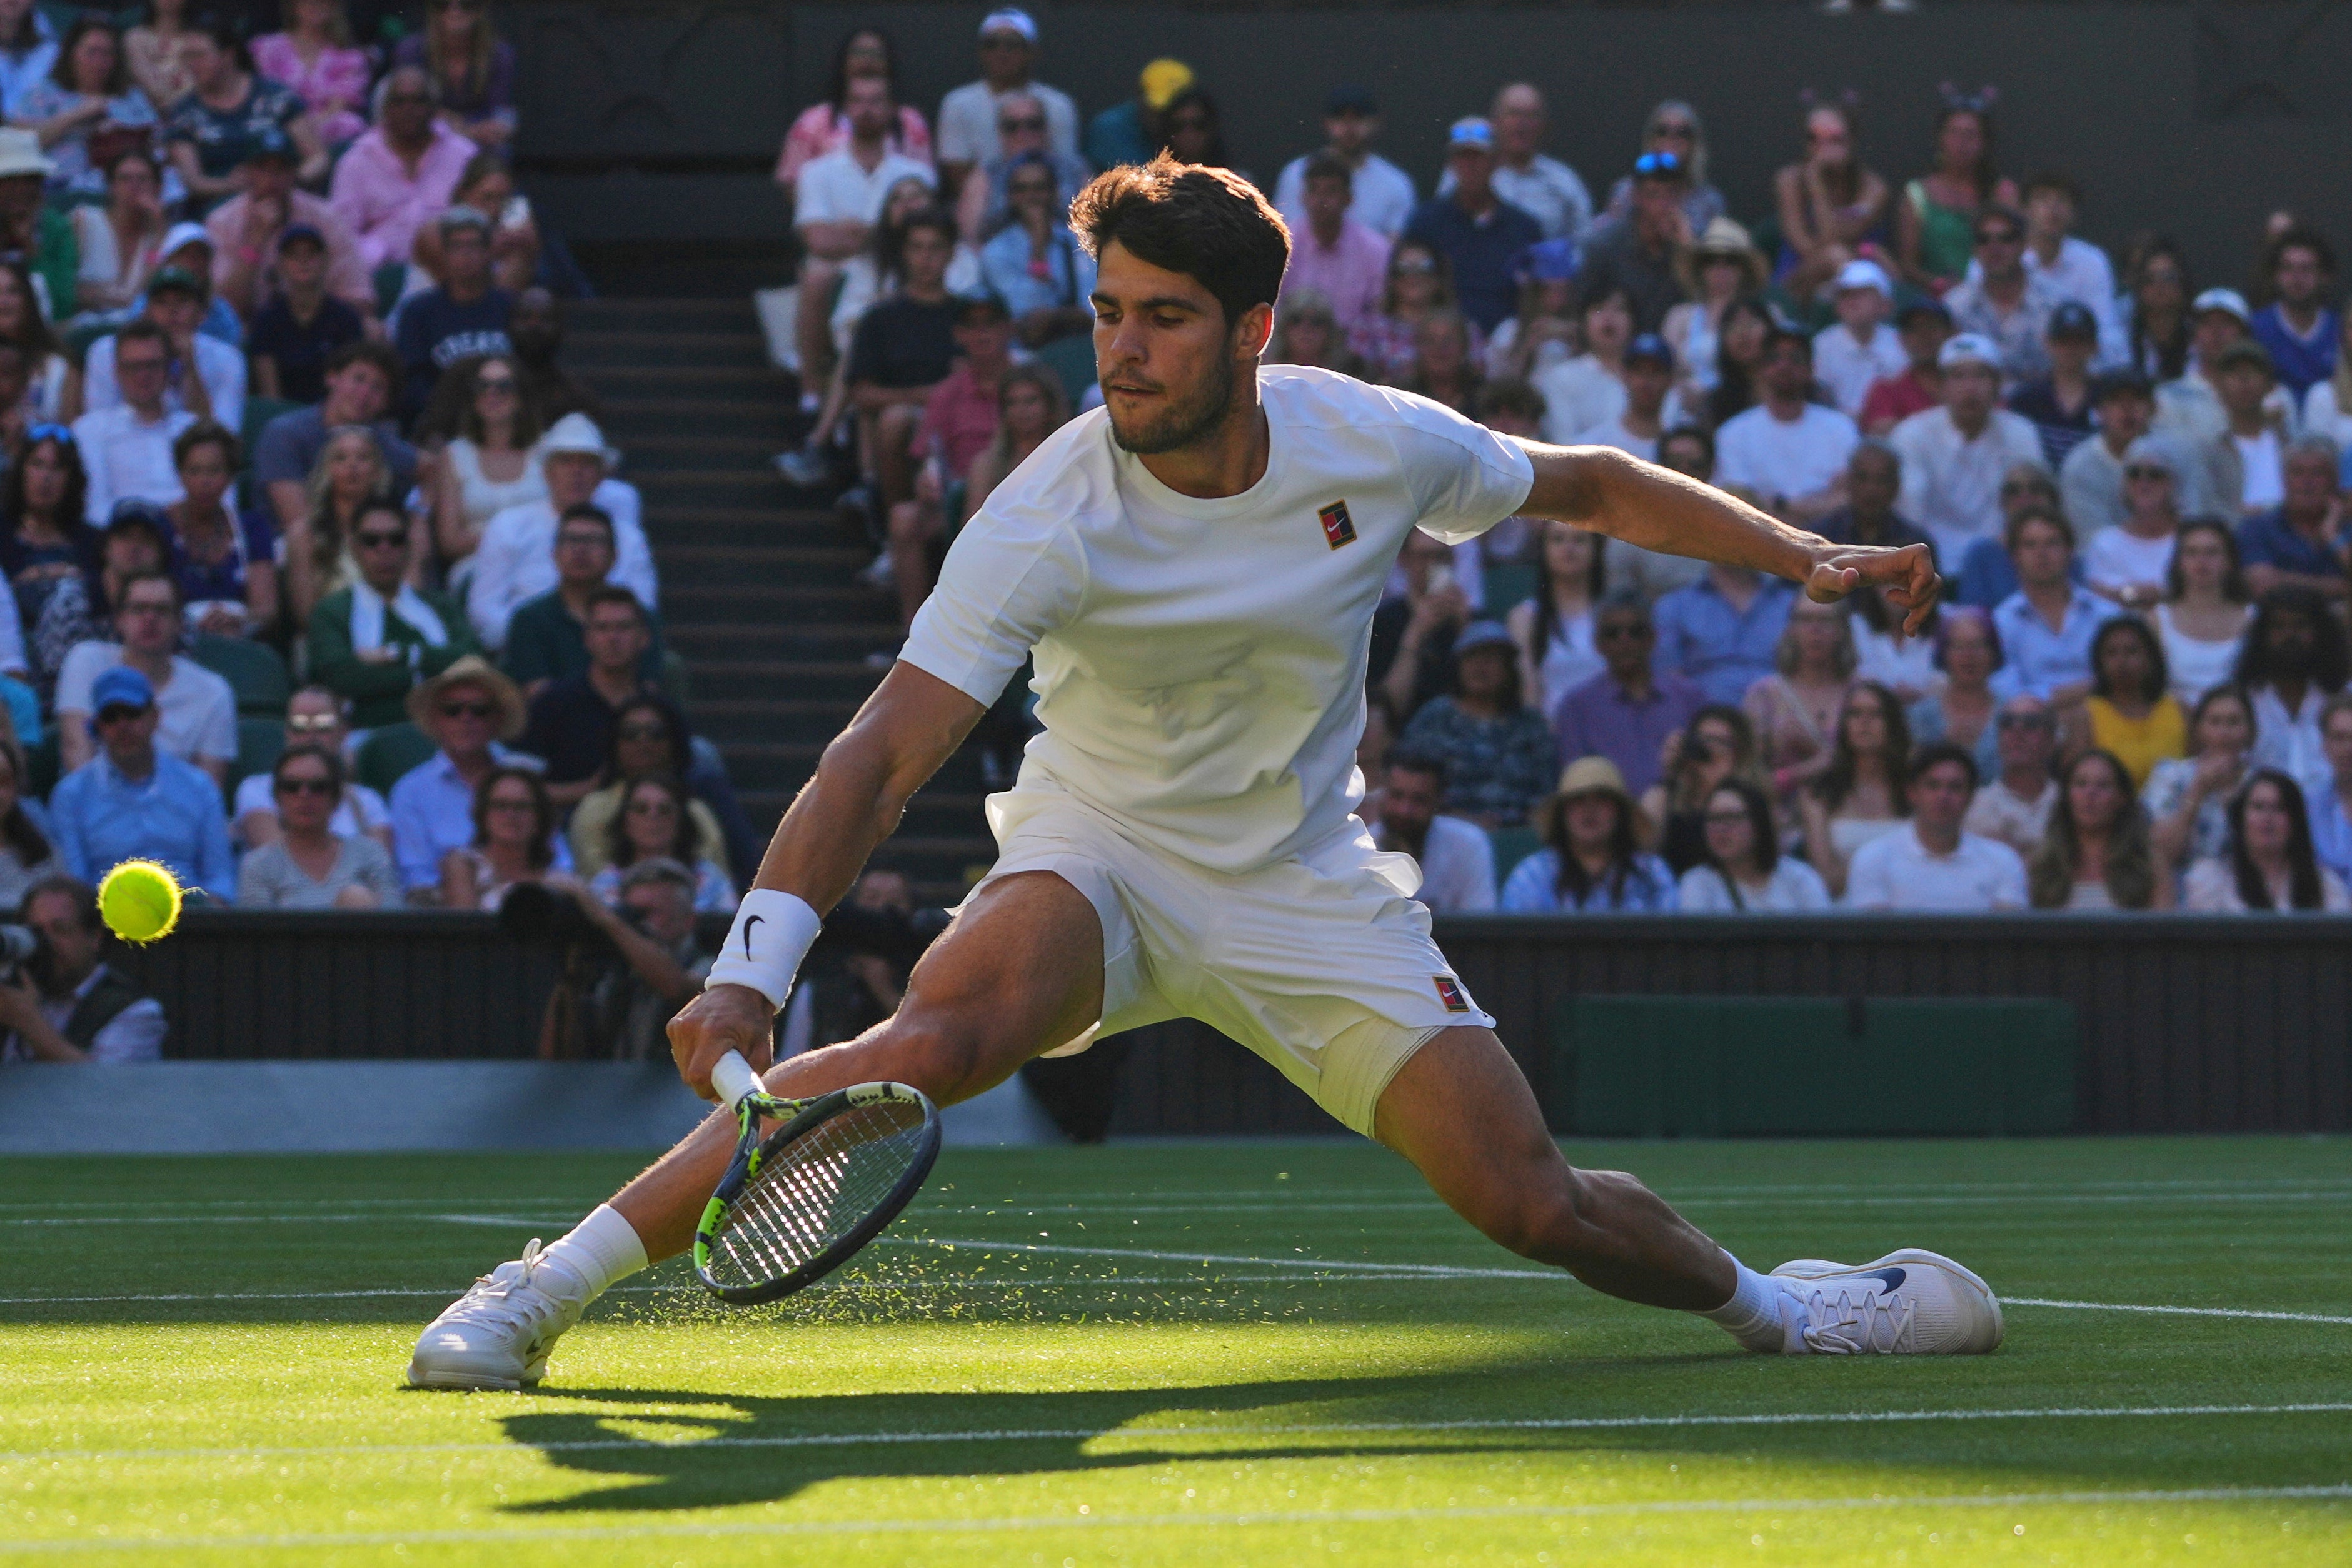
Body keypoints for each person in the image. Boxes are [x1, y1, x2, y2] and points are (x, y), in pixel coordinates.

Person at [404, 155, 1981, 1391]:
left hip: (1298, 878)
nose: (1123, 350)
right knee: (928, 1037)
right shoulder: (1046, 509)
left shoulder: (1372, 440)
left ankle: (1787, 1311)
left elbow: (1589, 483)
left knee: (1529, 1202)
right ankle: (535, 1291)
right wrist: (752, 969)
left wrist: (1801, 552)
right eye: (1105, 312)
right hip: (1093, 847)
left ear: (1251, 331)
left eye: (1160, 316)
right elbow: (881, 750)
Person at [465, 413, 654, 651]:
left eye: (587, 463)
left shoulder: (629, 539)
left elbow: (644, 608)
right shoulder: (508, 526)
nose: (576, 472)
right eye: (566, 461)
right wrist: (537, 636)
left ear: (601, 474)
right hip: (525, 650)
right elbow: (483, 610)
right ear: (547, 471)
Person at [48, 664, 233, 899]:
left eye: (132, 713)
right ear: (98, 726)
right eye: (111, 717)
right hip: (108, 922)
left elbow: (220, 878)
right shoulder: (70, 795)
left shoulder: (199, 787)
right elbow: (74, 886)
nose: (123, 726)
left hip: (191, 921)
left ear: (155, 717)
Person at [838, 209, 962, 551]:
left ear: (951, 253)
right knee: (896, 419)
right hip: (905, 425)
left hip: (963, 419)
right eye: (917, 248)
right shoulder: (881, 318)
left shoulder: (969, 315)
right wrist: (924, 396)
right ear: (904, 254)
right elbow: (860, 394)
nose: (926, 258)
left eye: (935, 248)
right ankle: (896, 539)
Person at [306, 495, 478, 730]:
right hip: (366, 735)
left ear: (408, 547)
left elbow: (472, 659)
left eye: (395, 539)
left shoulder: (440, 605)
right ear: (355, 548)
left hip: (448, 734)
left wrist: (400, 655)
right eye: (371, 540)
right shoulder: (332, 611)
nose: (384, 549)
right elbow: (341, 676)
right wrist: (431, 674)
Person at [55, 570, 233, 783]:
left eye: (162, 610)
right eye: (139, 609)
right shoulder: (86, 660)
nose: (150, 619)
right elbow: (77, 760)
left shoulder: (213, 691)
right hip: (94, 808)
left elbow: (207, 790)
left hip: (173, 811)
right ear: (119, 620)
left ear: (180, 623)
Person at [1889, 333, 2046, 565]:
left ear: (1997, 385)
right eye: (1958, 377)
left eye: (1981, 376)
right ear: (1942, 386)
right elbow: (1910, 511)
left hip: (2004, 556)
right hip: (1930, 559)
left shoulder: (2021, 432)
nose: (1970, 388)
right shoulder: (1911, 434)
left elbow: (2035, 505)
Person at [386, 655, 535, 896]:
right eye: (452, 710)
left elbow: (558, 860)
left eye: (479, 710)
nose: (466, 719)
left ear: (498, 719)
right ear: (436, 719)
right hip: (448, 917)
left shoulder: (526, 780)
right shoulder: (411, 792)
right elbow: (417, 879)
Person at [566, 692, 745, 882]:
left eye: (656, 733)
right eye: (630, 734)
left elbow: (713, 870)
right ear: (614, 743)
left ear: (673, 742)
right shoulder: (594, 809)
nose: (643, 741)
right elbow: (593, 875)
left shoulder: (696, 811)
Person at [515, 585, 665, 809]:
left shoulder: (658, 709)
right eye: (602, 628)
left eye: (623, 628)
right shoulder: (551, 704)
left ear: (644, 638)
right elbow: (518, 790)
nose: (613, 638)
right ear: (587, 639)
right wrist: (588, 789)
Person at [203, 127, 371, 324]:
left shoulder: (326, 218)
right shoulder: (221, 222)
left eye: (280, 169)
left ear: (294, 173)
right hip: (252, 329)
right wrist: (256, 241)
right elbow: (226, 309)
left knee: (371, 328)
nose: (271, 179)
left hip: (320, 323)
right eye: (263, 169)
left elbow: (360, 297)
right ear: (248, 172)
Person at [1549, 591, 1709, 798]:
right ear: (1598, 643)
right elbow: (1575, 783)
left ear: (1652, 638)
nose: (1624, 640)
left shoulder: (1689, 698)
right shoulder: (1577, 707)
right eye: (1612, 633)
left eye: (1635, 631)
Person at [1395, 621, 1554, 828]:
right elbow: (1411, 784)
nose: (1480, 666)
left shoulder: (1531, 725)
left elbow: (1548, 795)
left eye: (1491, 658)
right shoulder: (1434, 718)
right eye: (1471, 657)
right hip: (1448, 833)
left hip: (1521, 836)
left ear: (1508, 668)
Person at [254, 341, 414, 545]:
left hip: (363, 547)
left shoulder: (380, 441)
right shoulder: (285, 433)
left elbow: (428, 467)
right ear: (332, 378)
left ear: (386, 404)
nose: (364, 394)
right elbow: (297, 521)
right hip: (290, 547)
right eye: (359, 379)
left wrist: (418, 512)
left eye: (377, 388)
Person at [498, 505, 662, 698]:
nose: (581, 550)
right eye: (572, 540)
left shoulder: (640, 619)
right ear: (555, 553)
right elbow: (537, 694)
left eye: (593, 541)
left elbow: (649, 692)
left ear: (614, 556)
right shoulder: (529, 619)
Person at [328, 65, 476, 276]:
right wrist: (378, 255)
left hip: (453, 273)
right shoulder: (356, 161)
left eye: (418, 101)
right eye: (399, 101)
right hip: (380, 276)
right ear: (384, 109)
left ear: (434, 108)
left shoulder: (465, 155)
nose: (409, 109)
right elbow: (341, 236)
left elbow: (502, 207)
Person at [0, 873, 166, 1062]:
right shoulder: (16, 994)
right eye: (36, 932)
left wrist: (28, 1022)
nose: (46, 944)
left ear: (95, 937)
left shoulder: (136, 1012)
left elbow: (108, 1086)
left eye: (61, 930)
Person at [162, 16, 324, 209]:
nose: (191, 64)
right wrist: (233, 185)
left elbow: (318, 157)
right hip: (220, 207)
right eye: (187, 56)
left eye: (199, 56)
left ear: (228, 55)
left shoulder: (275, 97)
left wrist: (284, 182)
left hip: (285, 200)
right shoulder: (183, 112)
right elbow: (193, 181)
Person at [1842, 743, 2026, 910]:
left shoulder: (2003, 861)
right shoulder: (1873, 859)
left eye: (1955, 787)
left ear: (1971, 797)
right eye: (1933, 786)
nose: (1943, 797)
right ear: (1912, 793)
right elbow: (1873, 940)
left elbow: (2008, 940)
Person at [1400, 117, 1540, 337]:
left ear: (1495, 161)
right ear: (1452, 162)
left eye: (1478, 157)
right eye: (1462, 157)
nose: (1470, 165)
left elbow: (1535, 298)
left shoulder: (1523, 228)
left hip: (1506, 342)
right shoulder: (1426, 223)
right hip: (1439, 341)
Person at [1714, 329, 1859, 523]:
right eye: (1774, 358)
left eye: (1795, 358)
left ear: (1811, 369)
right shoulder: (1733, 432)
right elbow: (1740, 501)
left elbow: (1848, 497)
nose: (1784, 366)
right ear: (1761, 368)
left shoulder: (1841, 428)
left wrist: (1782, 505)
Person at [1499, 756, 1677, 913]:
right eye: (1578, 800)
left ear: (1620, 812)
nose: (1589, 809)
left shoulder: (1653, 874)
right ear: (1562, 815)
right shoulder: (1532, 877)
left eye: (1601, 799)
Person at [235, 744, 403, 909]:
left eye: (318, 787)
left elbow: (394, 920)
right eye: (292, 787)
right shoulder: (260, 864)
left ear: (336, 798)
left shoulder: (370, 855)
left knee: (356, 898)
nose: (304, 795)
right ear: (278, 798)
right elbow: (256, 933)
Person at [9, 15, 156, 204]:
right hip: (56, 190)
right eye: (92, 52)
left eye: (107, 54)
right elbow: (21, 144)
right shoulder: (43, 94)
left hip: (120, 193)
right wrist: (78, 114)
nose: (99, 62)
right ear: (72, 53)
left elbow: (155, 140)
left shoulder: (131, 98)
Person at [81, 266, 244, 431]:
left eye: (182, 301)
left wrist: (189, 365)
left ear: (201, 314)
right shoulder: (107, 352)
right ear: (146, 312)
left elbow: (223, 438)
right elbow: (99, 427)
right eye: (161, 302)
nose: (172, 310)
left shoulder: (227, 359)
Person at [933, 8, 1077, 194]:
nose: (1002, 52)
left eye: (1012, 45)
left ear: (1032, 51)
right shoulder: (957, 103)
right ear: (981, 52)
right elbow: (957, 173)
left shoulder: (1059, 105)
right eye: (992, 44)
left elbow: (1065, 169)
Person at [233, 685, 389, 852]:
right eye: (299, 726)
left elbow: (378, 866)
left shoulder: (368, 800)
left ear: (343, 733)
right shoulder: (257, 789)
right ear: (287, 733)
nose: (311, 736)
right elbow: (277, 857)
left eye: (324, 726)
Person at [775, 27, 930, 193]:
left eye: (876, 54)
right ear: (844, 62)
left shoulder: (911, 121)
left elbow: (925, 184)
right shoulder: (813, 121)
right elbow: (791, 182)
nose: (867, 61)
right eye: (859, 53)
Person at [425, 352, 542, 574]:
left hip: (539, 564)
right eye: (482, 386)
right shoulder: (454, 455)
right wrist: (516, 536)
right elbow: (449, 541)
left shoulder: (546, 451)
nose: (492, 393)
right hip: (476, 567)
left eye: (504, 386)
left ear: (521, 396)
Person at [394, 206, 511, 422]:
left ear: (488, 253)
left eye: (473, 245)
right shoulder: (418, 312)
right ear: (445, 254)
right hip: (442, 420)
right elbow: (412, 382)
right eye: (457, 246)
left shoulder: (511, 307)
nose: (465, 254)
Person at [1434, 83, 1589, 243]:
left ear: (1543, 125)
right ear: (1495, 121)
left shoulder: (1563, 180)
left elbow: (1584, 243)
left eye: (1531, 116)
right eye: (1514, 114)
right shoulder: (1468, 170)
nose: (1522, 125)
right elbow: (1440, 224)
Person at [162, 419, 274, 639]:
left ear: (230, 476)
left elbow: (267, 609)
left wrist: (239, 620)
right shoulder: (159, 527)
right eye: (195, 471)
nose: (204, 481)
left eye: (214, 471)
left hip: (237, 640)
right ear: (181, 474)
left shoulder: (252, 527)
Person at [69, 321, 191, 525]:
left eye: (152, 365)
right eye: (133, 367)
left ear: (169, 368)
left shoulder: (192, 428)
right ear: (117, 372)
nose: (143, 376)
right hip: (120, 539)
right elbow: (95, 509)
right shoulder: (89, 430)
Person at [1772, 99, 1890, 307]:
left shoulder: (1873, 187)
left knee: (1851, 259)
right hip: (1799, 278)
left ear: (1851, 141)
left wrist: (1816, 185)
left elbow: (1836, 238)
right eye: (1814, 139)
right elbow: (1805, 247)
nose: (1823, 148)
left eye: (1835, 139)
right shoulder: (1789, 180)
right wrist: (1816, 181)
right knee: (1836, 256)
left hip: (1860, 276)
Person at [1894, 93, 2016, 294]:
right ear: (1941, 138)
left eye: (1971, 135)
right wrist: (1939, 285)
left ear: (1985, 143)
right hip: (1933, 302)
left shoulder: (2002, 192)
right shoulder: (1916, 194)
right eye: (1954, 133)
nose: (1962, 142)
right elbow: (1907, 265)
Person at [1798, 680, 1911, 898]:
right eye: (1855, 714)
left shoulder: (1916, 789)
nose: (1864, 722)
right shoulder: (1817, 794)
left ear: (1893, 724)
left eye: (1876, 714)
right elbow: (1827, 879)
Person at [1651, 545, 1800, 710]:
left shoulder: (1792, 605)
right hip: (1704, 720)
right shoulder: (1674, 607)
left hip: (1781, 717)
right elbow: (1668, 679)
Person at [2183, 767, 2350, 912]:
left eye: (2279, 808)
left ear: (2295, 820)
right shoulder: (2209, 880)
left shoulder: (2325, 886)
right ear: (2241, 817)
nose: (2267, 818)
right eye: (2258, 807)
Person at [1746, 595, 1857, 807]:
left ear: (1842, 630)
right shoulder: (1764, 696)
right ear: (1791, 629)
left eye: (1825, 621)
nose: (1814, 629)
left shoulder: (1863, 692)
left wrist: (1814, 753)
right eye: (1805, 619)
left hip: (1851, 812)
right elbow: (1751, 785)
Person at [1989, 508, 2111, 703]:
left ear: (2070, 551)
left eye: (2052, 543)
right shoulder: (2000, 622)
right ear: (2014, 556)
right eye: (2030, 545)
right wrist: (2081, 692)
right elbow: (2006, 695)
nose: (2041, 553)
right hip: (2030, 726)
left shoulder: (2106, 616)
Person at [2235, 585, 2348, 794]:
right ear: (2263, 635)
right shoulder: (2245, 701)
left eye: (2300, 625)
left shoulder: (2344, 697)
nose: (2289, 635)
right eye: (2278, 626)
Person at [278, 422, 389, 628]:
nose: (352, 465)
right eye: (341, 458)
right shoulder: (304, 534)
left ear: (377, 471)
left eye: (362, 457)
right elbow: (306, 617)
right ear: (327, 469)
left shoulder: (395, 532)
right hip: (328, 640)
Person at [978, 152, 1093, 346]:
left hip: (1079, 346)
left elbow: (1092, 310)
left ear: (1054, 192)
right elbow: (1025, 312)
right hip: (1021, 353)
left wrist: (1052, 319)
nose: (1031, 197)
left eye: (1040, 188)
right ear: (1010, 196)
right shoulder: (996, 251)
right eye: (1021, 189)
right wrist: (1038, 248)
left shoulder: (1080, 243)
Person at [2027, 748, 2165, 910]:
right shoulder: (2039, 864)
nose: (2090, 794)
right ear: (2066, 796)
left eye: (2103, 785)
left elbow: (2164, 932)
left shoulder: (2149, 864)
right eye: (2081, 784)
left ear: (2121, 798)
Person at [1943, 205, 2065, 388]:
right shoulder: (1954, 306)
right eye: (1984, 240)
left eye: (2006, 239)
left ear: (2023, 245)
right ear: (1975, 248)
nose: (1994, 248)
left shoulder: (2056, 303)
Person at [1271, 84, 1414, 239]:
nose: (1349, 127)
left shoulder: (1396, 184)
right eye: (1340, 118)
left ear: (1375, 123)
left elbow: (1395, 248)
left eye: (1358, 118)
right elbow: (1283, 235)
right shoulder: (1295, 174)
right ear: (1326, 123)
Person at [2145, 684, 2256, 881]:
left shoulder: (2261, 784)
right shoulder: (2170, 775)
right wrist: (2197, 791)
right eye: (2215, 722)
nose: (2224, 733)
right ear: (2199, 729)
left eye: (2234, 722)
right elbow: (2161, 853)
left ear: (2250, 732)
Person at [245, 223, 364, 404]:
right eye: (294, 255)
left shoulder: (346, 319)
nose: (303, 261)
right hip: (283, 418)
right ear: (281, 265)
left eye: (311, 254)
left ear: (325, 261)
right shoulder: (267, 321)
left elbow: (351, 381)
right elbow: (270, 393)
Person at [585, 773, 734, 914]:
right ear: (625, 822)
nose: (653, 817)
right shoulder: (603, 886)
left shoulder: (712, 882)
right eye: (641, 809)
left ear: (681, 821)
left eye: (664, 810)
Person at [1639, 703, 1761, 873]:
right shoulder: (1670, 797)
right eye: (1702, 741)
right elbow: (1641, 844)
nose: (1708, 748)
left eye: (1719, 742)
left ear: (1740, 752)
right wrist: (1669, 778)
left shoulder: (1753, 800)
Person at [1367, 751, 1495, 914]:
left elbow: (1481, 925)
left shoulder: (1468, 844)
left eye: (1418, 800)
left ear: (1438, 801)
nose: (1404, 810)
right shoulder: (1361, 847)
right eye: (1397, 796)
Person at [1576, 149, 1689, 334]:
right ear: (1637, 197)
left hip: (1671, 351)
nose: (1663, 205)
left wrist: (1686, 251)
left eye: (1670, 195)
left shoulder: (1685, 244)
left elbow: (1701, 308)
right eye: (1654, 195)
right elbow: (1583, 310)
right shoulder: (1604, 247)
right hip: (1618, 351)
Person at [1678, 776, 1830, 912]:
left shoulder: (1798, 878)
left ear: (1758, 823)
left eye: (1731, 817)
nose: (1721, 829)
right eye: (1713, 819)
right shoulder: (1697, 883)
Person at [1279, 153, 1388, 336]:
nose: (1321, 201)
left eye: (1331, 191)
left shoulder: (1374, 250)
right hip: (1292, 347)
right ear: (1303, 197)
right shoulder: (1283, 245)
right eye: (1314, 190)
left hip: (1353, 353)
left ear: (1348, 198)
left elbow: (1379, 314)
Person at [2069, 616, 2186, 789]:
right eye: (2111, 653)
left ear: (2151, 658)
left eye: (2132, 651)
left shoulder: (2180, 711)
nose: (2121, 662)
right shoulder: (2086, 717)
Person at [958, 91, 1089, 245]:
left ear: (1046, 128)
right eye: (1012, 127)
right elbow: (970, 238)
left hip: (1068, 258)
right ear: (1001, 132)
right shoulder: (985, 176)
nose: (1023, 134)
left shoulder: (1075, 170)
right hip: (1001, 260)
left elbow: (1095, 227)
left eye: (1033, 125)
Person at [1661, 216, 1765, 405]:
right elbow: (1665, 370)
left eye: (1730, 261)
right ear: (1701, 268)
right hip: (1689, 408)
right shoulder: (1680, 317)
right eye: (1711, 260)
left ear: (1744, 269)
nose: (1720, 268)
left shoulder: (1765, 315)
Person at [1506, 518, 1603, 715]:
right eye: (1558, 540)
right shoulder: (1524, 618)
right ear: (1544, 548)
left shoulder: (1612, 614)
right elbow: (1527, 690)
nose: (1569, 549)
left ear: (1595, 549)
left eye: (1579, 540)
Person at [391, 0, 516, 151]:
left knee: (499, 151)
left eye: (466, 3)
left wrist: (494, 128)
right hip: (428, 137)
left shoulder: (500, 54)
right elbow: (408, 108)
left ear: (479, 9)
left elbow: (501, 112)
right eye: (443, 3)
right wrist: (462, 129)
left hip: (483, 142)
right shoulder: (411, 51)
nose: (454, 9)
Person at [2155, 518, 2254, 705]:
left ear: (2230, 561)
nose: (2202, 561)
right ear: (2178, 562)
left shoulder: (2253, 619)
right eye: (2191, 553)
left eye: (2212, 552)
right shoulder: (2156, 620)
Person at [2236, 434, 2346, 600]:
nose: (2307, 482)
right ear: (2284, 480)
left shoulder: (2347, 527)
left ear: (2334, 481)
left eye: (2318, 473)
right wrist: (2340, 587)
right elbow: (2262, 585)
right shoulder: (2258, 528)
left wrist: (2334, 538)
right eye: (2298, 473)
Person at [250, 0, 369, 151]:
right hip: (278, 120)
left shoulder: (349, 57)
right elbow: (264, 93)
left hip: (325, 124)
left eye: (323, 2)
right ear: (294, 7)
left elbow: (338, 106)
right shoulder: (269, 48)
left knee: (350, 124)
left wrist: (307, 130)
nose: (315, 6)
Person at [1350, 239, 1470, 387]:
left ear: (1438, 277)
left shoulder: (1461, 328)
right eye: (1404, 269)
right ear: (1392, 279)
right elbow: (1356, 381)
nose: (1413, 276)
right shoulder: (1368, 328)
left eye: (1424, 268)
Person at [2083, 436, 2184, 609]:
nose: (2144, 484)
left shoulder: (2190, 541)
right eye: (2134, 475)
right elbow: (2101, 594)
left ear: (2172, 484)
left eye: (2155, 475)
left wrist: (2128, 593)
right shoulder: (2105, 543)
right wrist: (2139, 594)